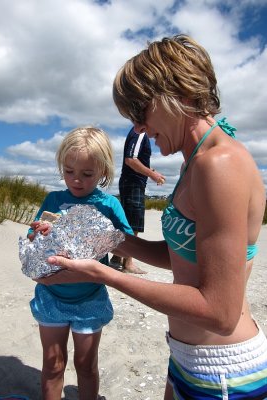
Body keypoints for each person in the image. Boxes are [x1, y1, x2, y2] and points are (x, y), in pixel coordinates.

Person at [36, 35, 267, 399]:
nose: (139, 127)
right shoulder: (195, 163)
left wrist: (102, 272)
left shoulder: (220, 164)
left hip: (224, 370)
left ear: (181, 92)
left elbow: (220, 313)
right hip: (186, 358)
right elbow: (181, 254)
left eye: (141, 111)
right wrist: (101, 237)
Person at [28, 127, 133, 400]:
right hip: (51, 295)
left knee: (86, 365)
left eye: (87, 174)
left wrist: (100, 236)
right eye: (69, 171)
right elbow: (34, 240)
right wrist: (37, 231)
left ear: (103, 172)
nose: (76, 180)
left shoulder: (109, 205)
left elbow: (128, 242)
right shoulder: (54, 200)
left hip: (90, 297)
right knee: (52, 364)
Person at [109, 127, 165, 273]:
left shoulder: (139, 134)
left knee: (127, 219)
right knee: (134, 222)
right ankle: (128, 262)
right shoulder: (140, 132)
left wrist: (151, 172)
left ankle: (116, 258)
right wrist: (153, 176)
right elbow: (130, 160)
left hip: (132, 182)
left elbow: (136, 159)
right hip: (132, 182)